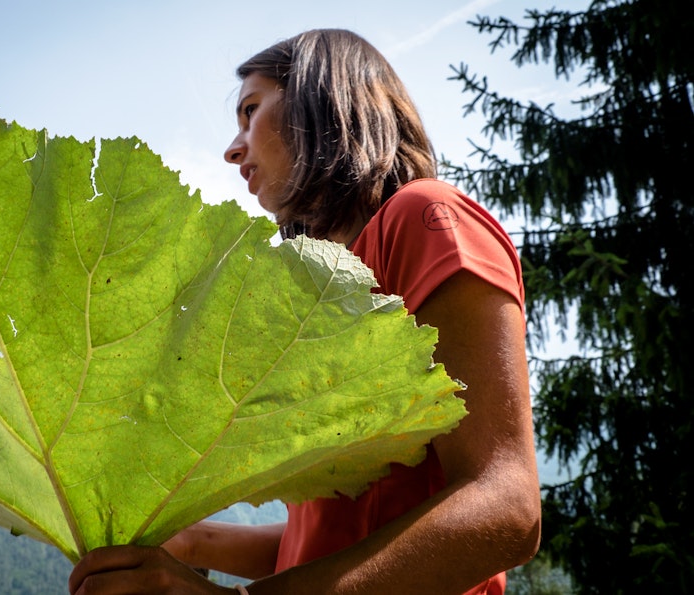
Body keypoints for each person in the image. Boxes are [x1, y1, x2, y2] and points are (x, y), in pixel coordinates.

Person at [69, 29, 541, 595]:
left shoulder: (424, 218)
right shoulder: (327, 284)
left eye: (250, 110)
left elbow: (506, 510)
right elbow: (326, 545)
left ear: (323, 97)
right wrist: (191, 544)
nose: (232, 147)